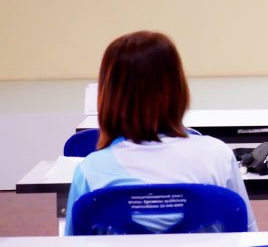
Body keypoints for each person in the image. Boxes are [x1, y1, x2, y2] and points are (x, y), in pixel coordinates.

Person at [65, 31, 255, 235]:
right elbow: (248, 237)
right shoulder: (217, 156)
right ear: (177, 88)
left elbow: (73, 242)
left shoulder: (90, 171)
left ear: (108, 94)